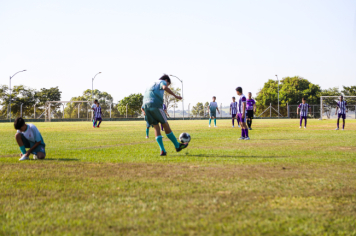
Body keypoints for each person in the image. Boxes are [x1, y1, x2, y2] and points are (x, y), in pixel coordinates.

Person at [142, 74, 188, 156]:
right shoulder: (162, 82)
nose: (167, 85)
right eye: (168, 84)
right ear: (166, 80)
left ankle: (162, 150)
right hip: (155, 105)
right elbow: (164, 87)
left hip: (146, 106)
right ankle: (177, 146)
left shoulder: (151, 83)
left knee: (156, 127)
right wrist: (176, 96)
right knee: (165, 125)